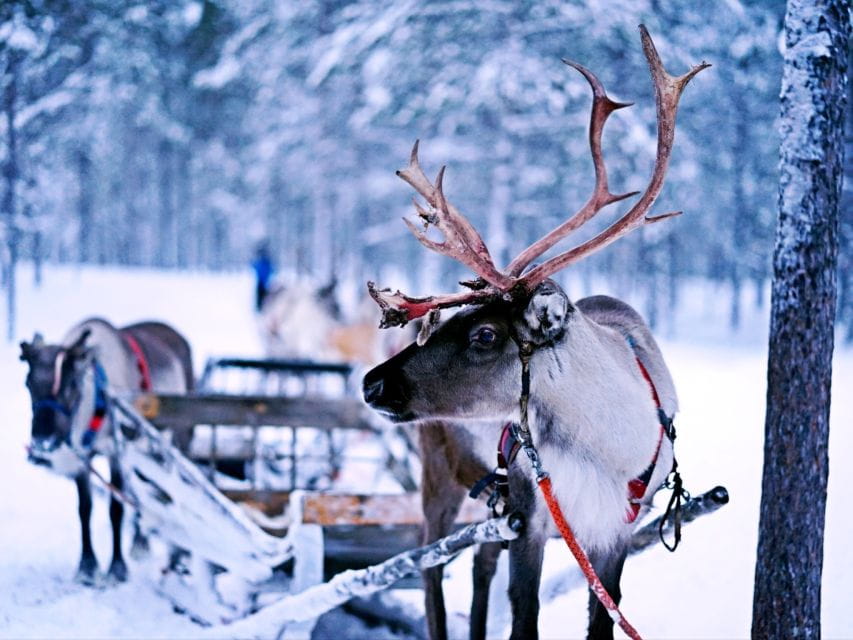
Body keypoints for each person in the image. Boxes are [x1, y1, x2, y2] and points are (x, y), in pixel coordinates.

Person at [251, 243, 275, 311]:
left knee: (262, 297)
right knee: (263, 297)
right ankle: (261, 308)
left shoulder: (263, 262)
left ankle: (261, 308)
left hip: (262, 282)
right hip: (264, 282)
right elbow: (272, 270)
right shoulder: (265, 262)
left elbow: (255, 267)